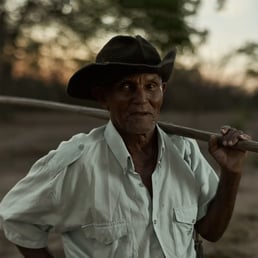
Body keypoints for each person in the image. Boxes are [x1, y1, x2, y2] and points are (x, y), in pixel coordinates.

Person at [0, 35, 251, 258]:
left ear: (162, 90)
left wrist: (231, 173)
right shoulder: (75, 163)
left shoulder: (184, 151)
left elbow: (211, 232)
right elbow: (16, 218)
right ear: (102, 97)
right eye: (126, 87)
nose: (141, 100)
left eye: (150, 86)